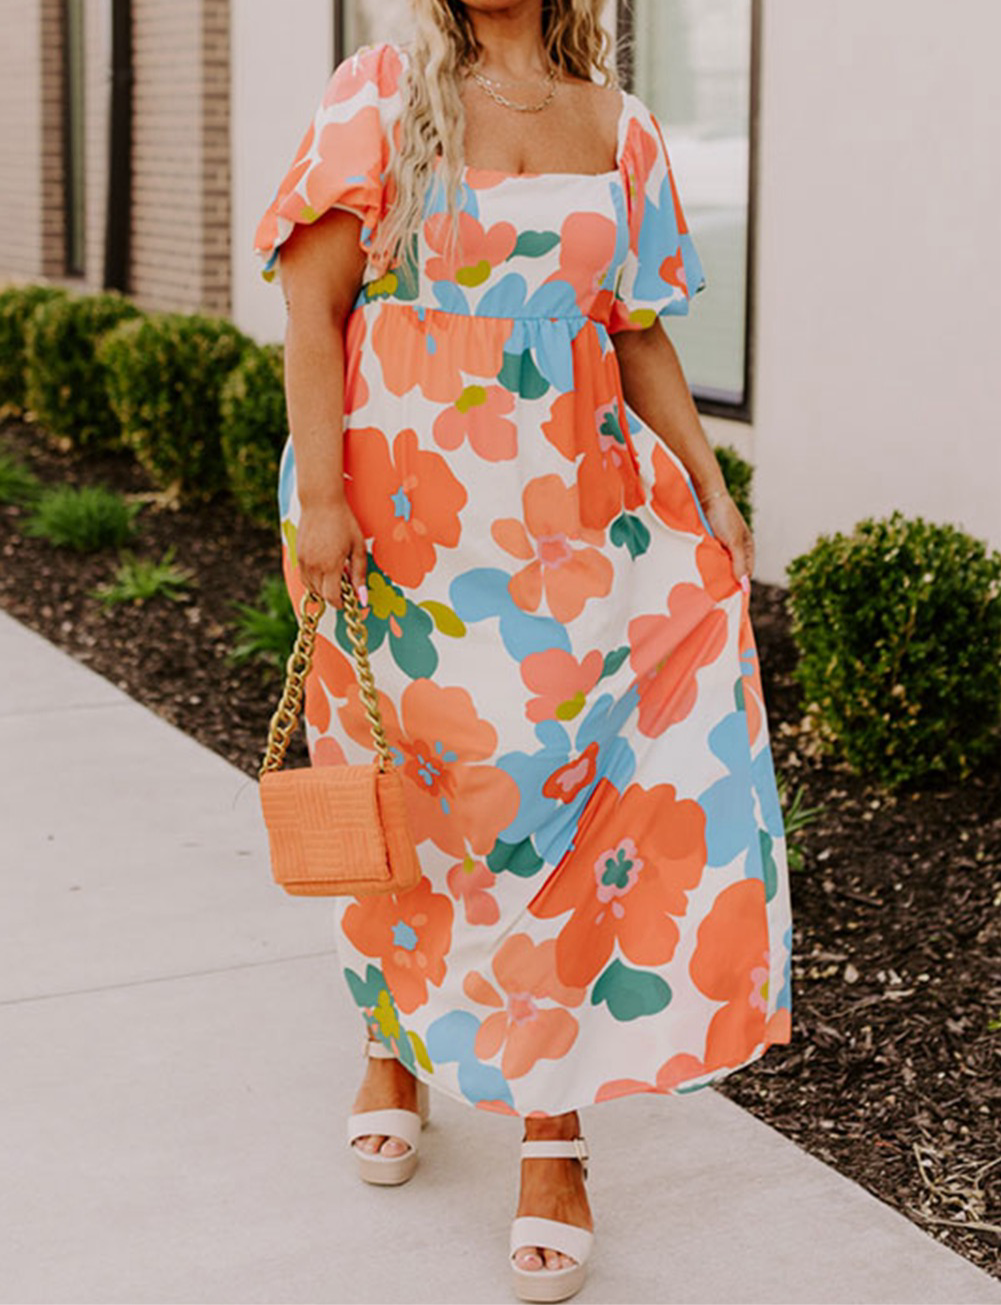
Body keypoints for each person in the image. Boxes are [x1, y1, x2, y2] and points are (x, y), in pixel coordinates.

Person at [253, 1, 793, 1299]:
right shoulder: (380, 92)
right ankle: (393, 1041)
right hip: (399, 526)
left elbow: (636, 328)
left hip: (574, 533)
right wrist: (324, 503)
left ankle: (555, 1130)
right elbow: (313, 301)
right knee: (415, 799)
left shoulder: (621, 123)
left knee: (563, 819)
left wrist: (710, 491)